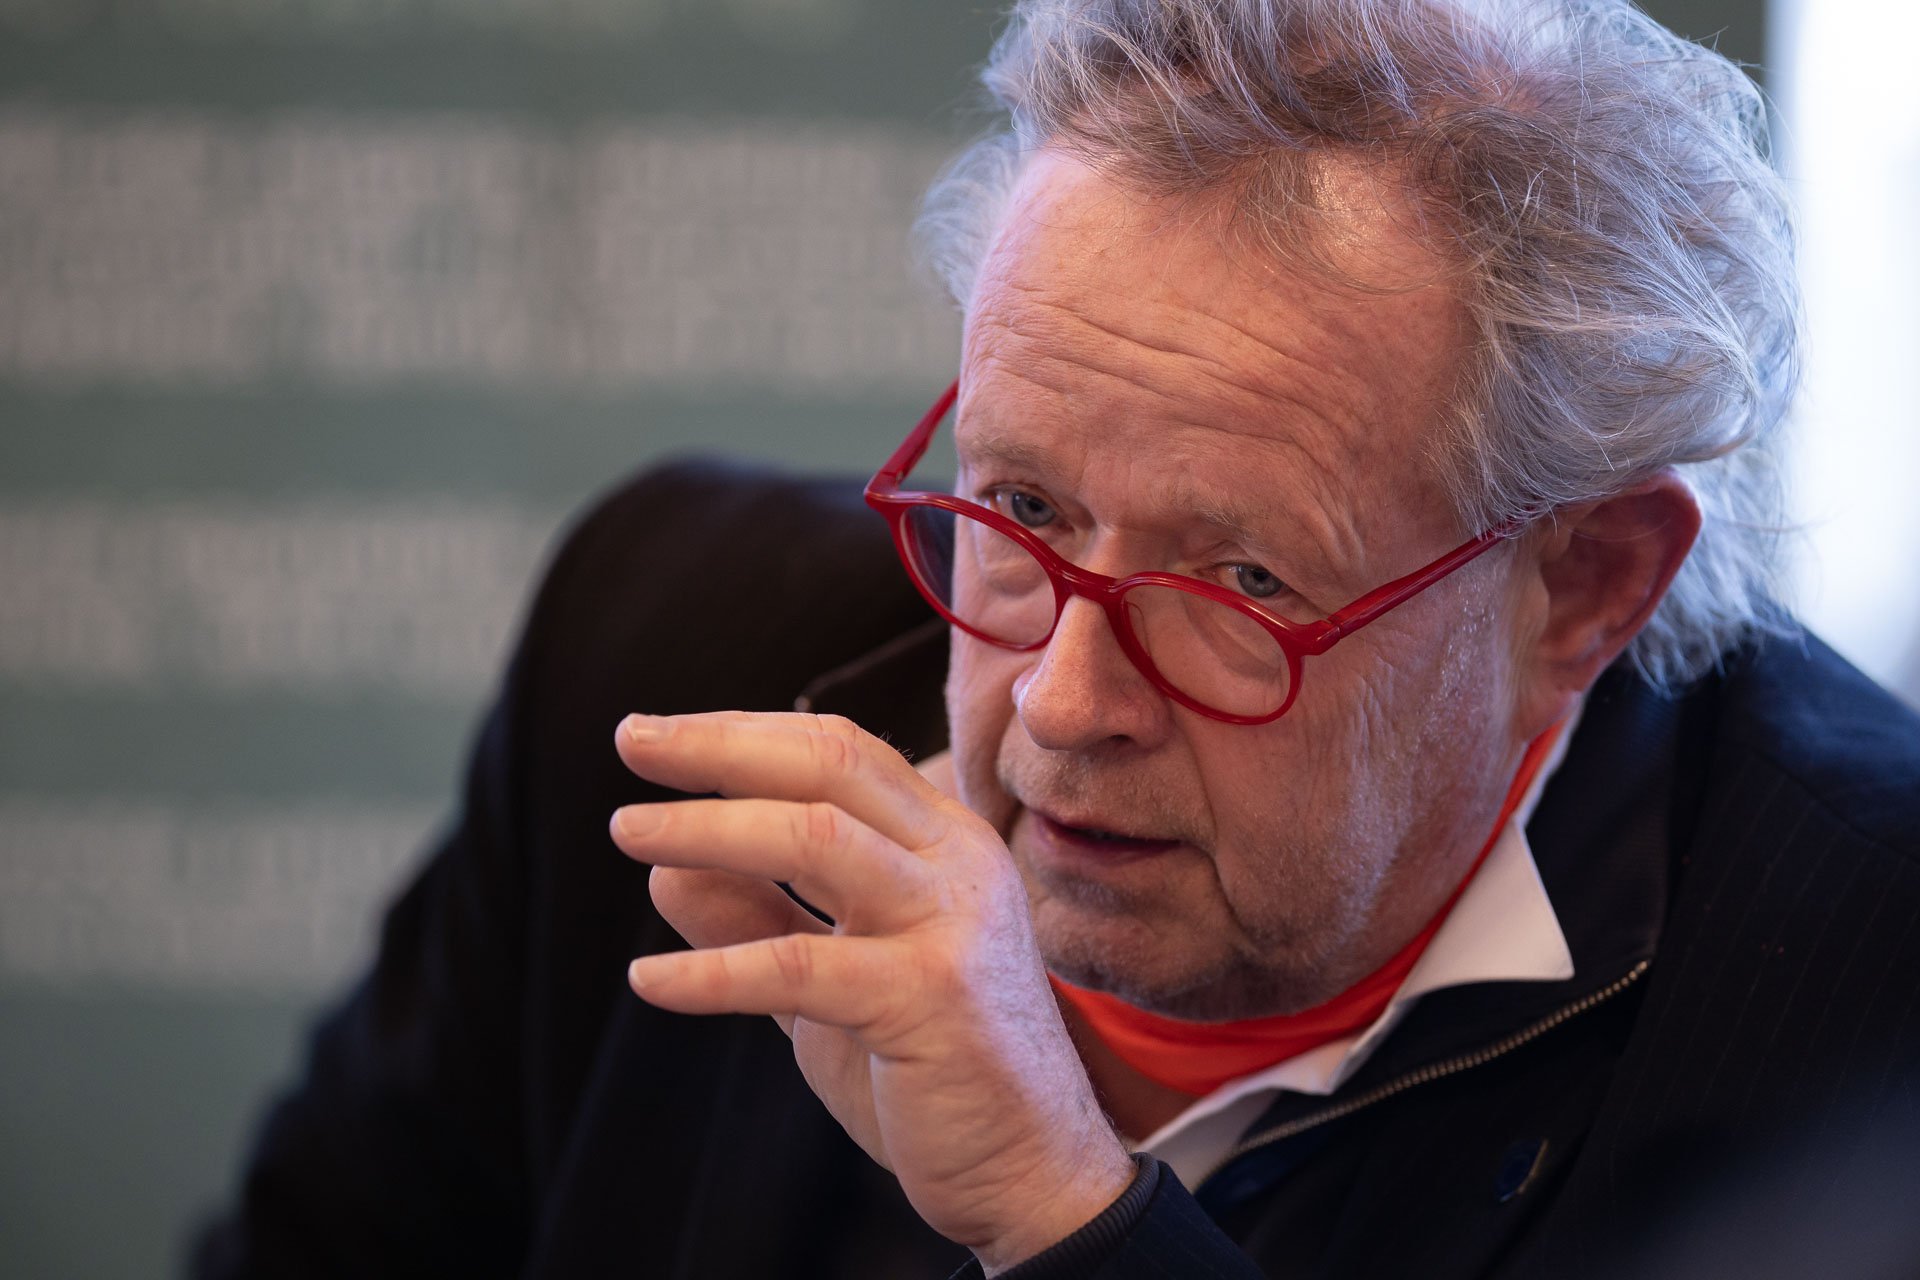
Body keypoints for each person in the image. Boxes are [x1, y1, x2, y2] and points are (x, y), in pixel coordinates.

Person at [195, 1, 1920, 1277]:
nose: (1065, 704)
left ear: (1586, 581)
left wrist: (1072, 1228)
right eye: (1019, 511)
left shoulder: (1861, 982)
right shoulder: (660, 660)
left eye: (1240, 585)